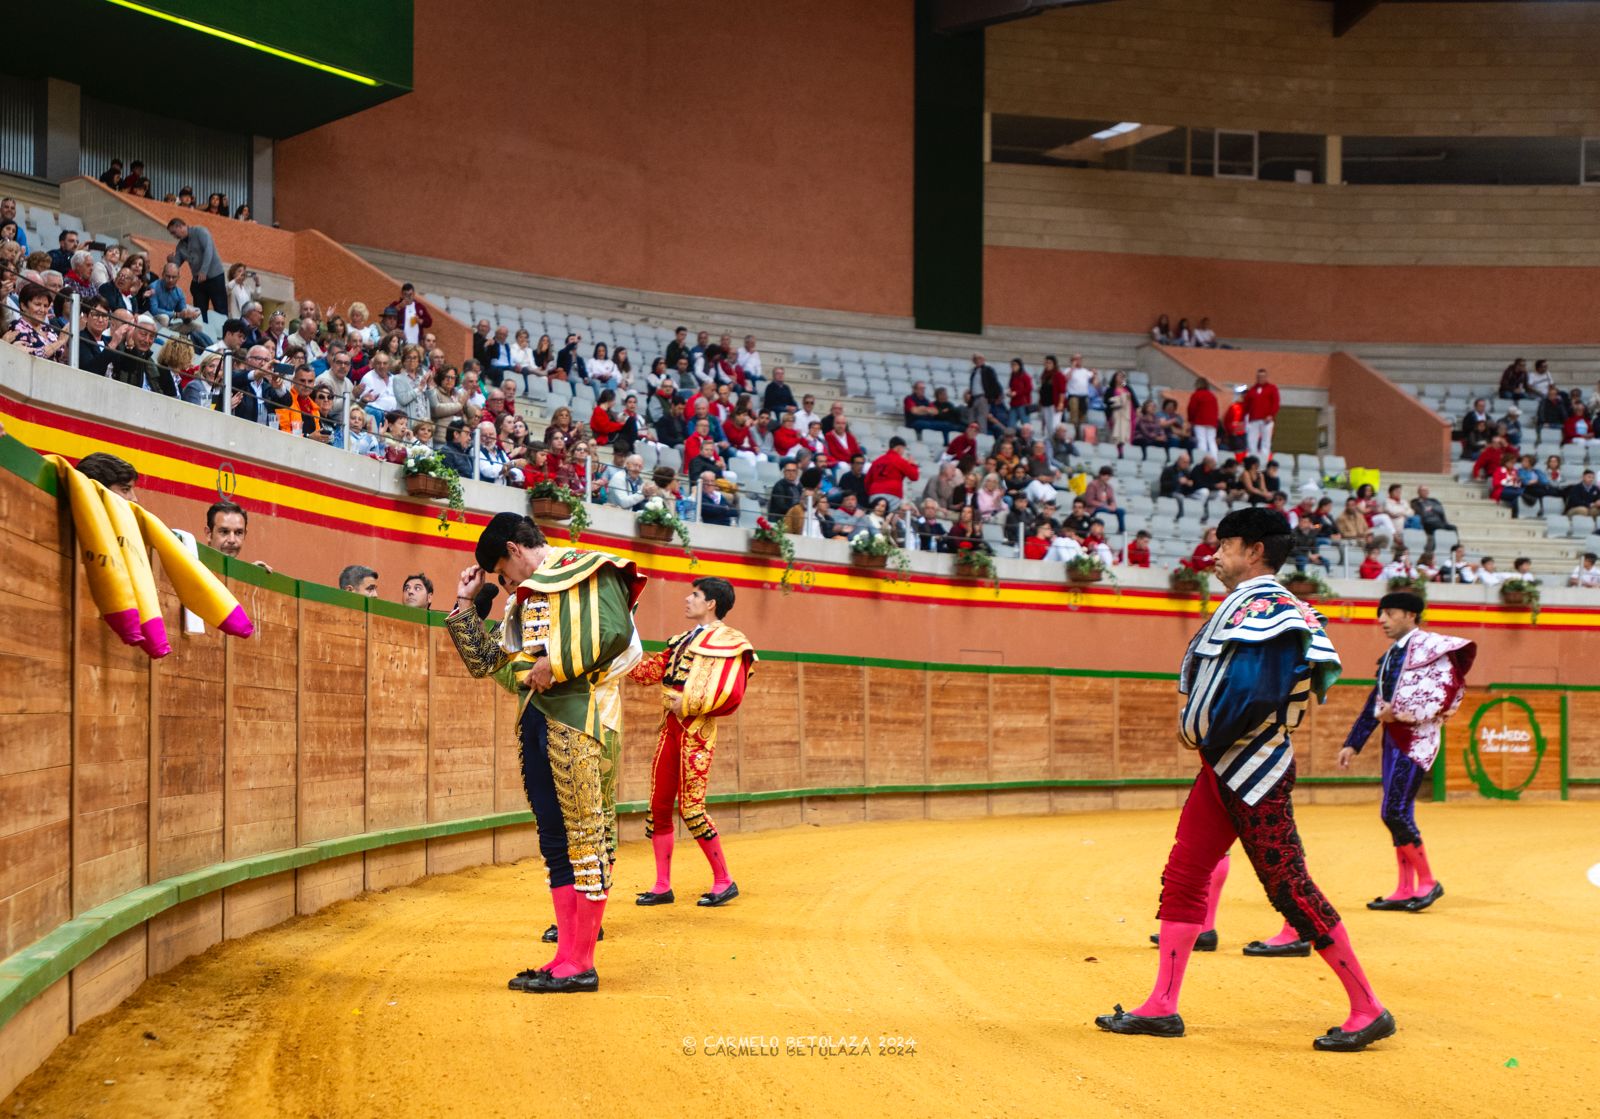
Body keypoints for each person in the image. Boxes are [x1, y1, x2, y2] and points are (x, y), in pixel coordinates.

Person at [1096, 509, 1393, 1052]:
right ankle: (1162, 1005)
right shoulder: (1256, 607)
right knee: (1185, 875)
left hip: (1253, 766)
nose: (1214, 554)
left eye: (1225, 544)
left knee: (1288, 885)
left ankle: (1368, 1007)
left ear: (1254, 551)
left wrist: (1200, 732)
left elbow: (1253, 694)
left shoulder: (1271, 610)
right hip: (1226, 766)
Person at [446, 514, 646, 994]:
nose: (504, 582)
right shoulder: (524, 600)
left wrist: (554, 665)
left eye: (501, 571)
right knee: (555, 838)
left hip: (582, 717)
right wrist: (463, 603)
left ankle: (583, 961)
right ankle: (564, 957)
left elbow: (618, 635)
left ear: (515, 549)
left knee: (585, 835)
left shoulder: (589, 568)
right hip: (536, 719)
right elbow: (485, 662)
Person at [1339, 592, 1474, 916]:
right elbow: (1377, 699)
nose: (1382, 620)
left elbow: (1446, 693)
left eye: (1389, 613)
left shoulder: (1434, 649)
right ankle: (1404, 888)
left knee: (1394, 812)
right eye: (1381, 613)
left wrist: (1398, 712)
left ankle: (1428, 882)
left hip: (1416, 739)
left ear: (1411, 615)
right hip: (1394, 740)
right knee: (1400, 812)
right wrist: (1353, 742)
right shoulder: (1390, 656)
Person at [627, 577, 755, 909]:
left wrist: (684, 704)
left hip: (696, 730)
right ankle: (661, 885)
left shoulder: (732, 642)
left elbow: (731, 692)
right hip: (670, 727)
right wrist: (617, 652)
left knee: (692, 808)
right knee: (658, 806)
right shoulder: (681, 640)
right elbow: (648, 672)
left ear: (711, 603)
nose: (687, 599)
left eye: (695, 595)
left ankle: (724, 881)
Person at [164, 218, 227, 316]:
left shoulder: (200, 231)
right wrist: (170, 261)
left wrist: (204, 270)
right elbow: (176, 264)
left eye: (174, 232)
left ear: (180, 226)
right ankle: (202, 328)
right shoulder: (180, 246)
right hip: (199, 280)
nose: (174, 236)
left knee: (220, 308)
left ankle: (224, 329)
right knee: (199, 310)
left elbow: (208, 250)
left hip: (215, 276)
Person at [1243, 368, 1279, 460]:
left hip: (1266, 420)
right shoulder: (1252, 390)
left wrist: (1271, 415)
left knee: (1265, 443)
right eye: (1259, 377)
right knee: (1251, 442)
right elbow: (1246, 405)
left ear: (1266, 377)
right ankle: (1252, 461)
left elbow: (1275, 403)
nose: (1260, 378)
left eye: (1263, 377)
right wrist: (1244, 417)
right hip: (1253, 420)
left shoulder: (1272, 389)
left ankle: (1263, 461)